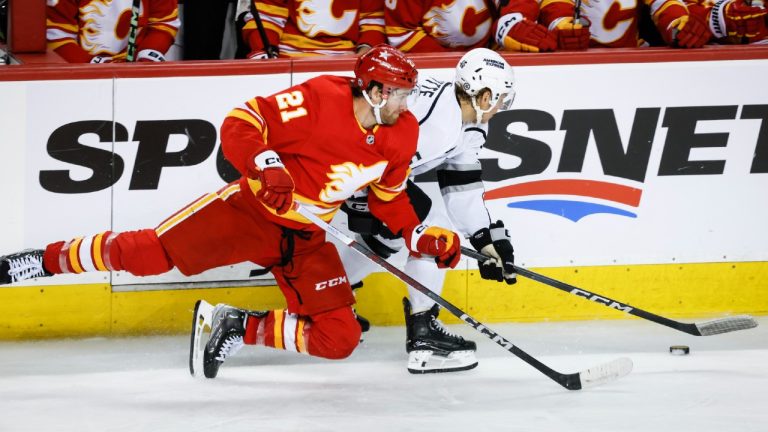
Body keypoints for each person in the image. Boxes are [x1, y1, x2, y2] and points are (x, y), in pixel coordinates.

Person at [0, 45, 463, 379]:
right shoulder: (322, 99)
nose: (408, 104)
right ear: (376, 90)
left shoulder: (400, 134)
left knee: (339, 338)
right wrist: (266, 163)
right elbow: (243, 121)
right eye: (401, 93)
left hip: (304, 237)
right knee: (147, 254)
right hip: (249, 213)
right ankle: (42, 260)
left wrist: (419, 236)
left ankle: (234, 325)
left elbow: (389, 199)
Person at [336, 48, 517, 374]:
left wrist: (485, 238)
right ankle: (424, 334)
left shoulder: (465, 119)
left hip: (370, 175)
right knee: (435, 236)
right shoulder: (440, 123)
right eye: (501, 98)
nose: (502, 106)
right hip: (354, 173)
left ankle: (328, 298)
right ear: (485, 95)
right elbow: (380, 169)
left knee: (387, 241)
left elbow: (461, 187)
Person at [385, 0, 590, 53]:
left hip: (495, 62)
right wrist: (456, 66)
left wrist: (559, 21)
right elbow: (401, 34)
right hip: (436, 76)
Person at [240, 0, 386, 59]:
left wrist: (362, 56)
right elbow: (266, 17)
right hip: (288, 59)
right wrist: (266, 59)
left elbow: (373, 21)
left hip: (345, 62)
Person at [46, 0, 180, 63]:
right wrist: (91, 65)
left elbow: (163, 24)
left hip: (135, 76)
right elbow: (58, 35)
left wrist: (146, 59)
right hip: (79, 79)